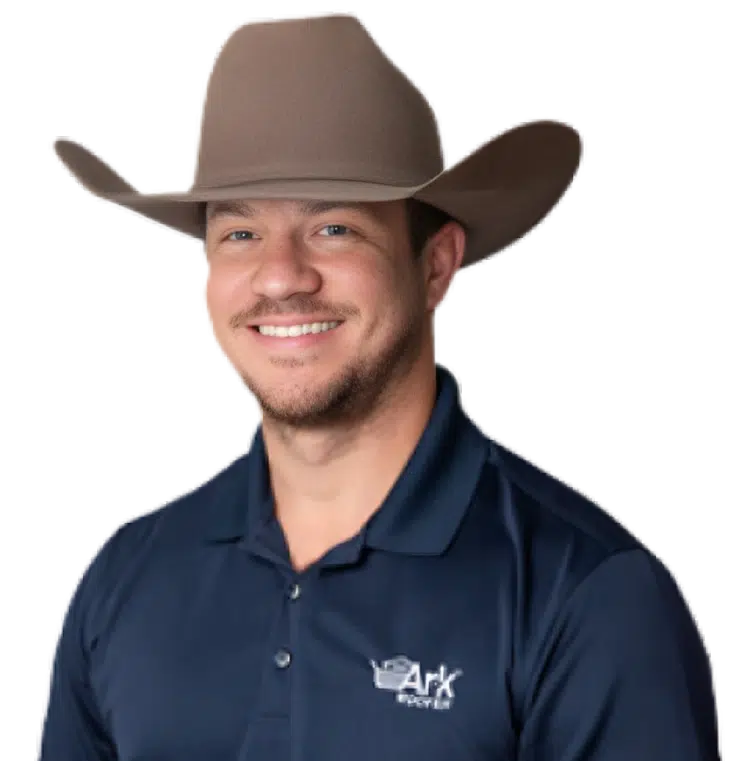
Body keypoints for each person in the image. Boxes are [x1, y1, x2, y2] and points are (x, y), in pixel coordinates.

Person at [41, 12, 719, 761]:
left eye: (334, 228)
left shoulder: (586, 594)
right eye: (238, 233)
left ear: (435, 265)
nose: (280, 275)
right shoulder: (127, 579)